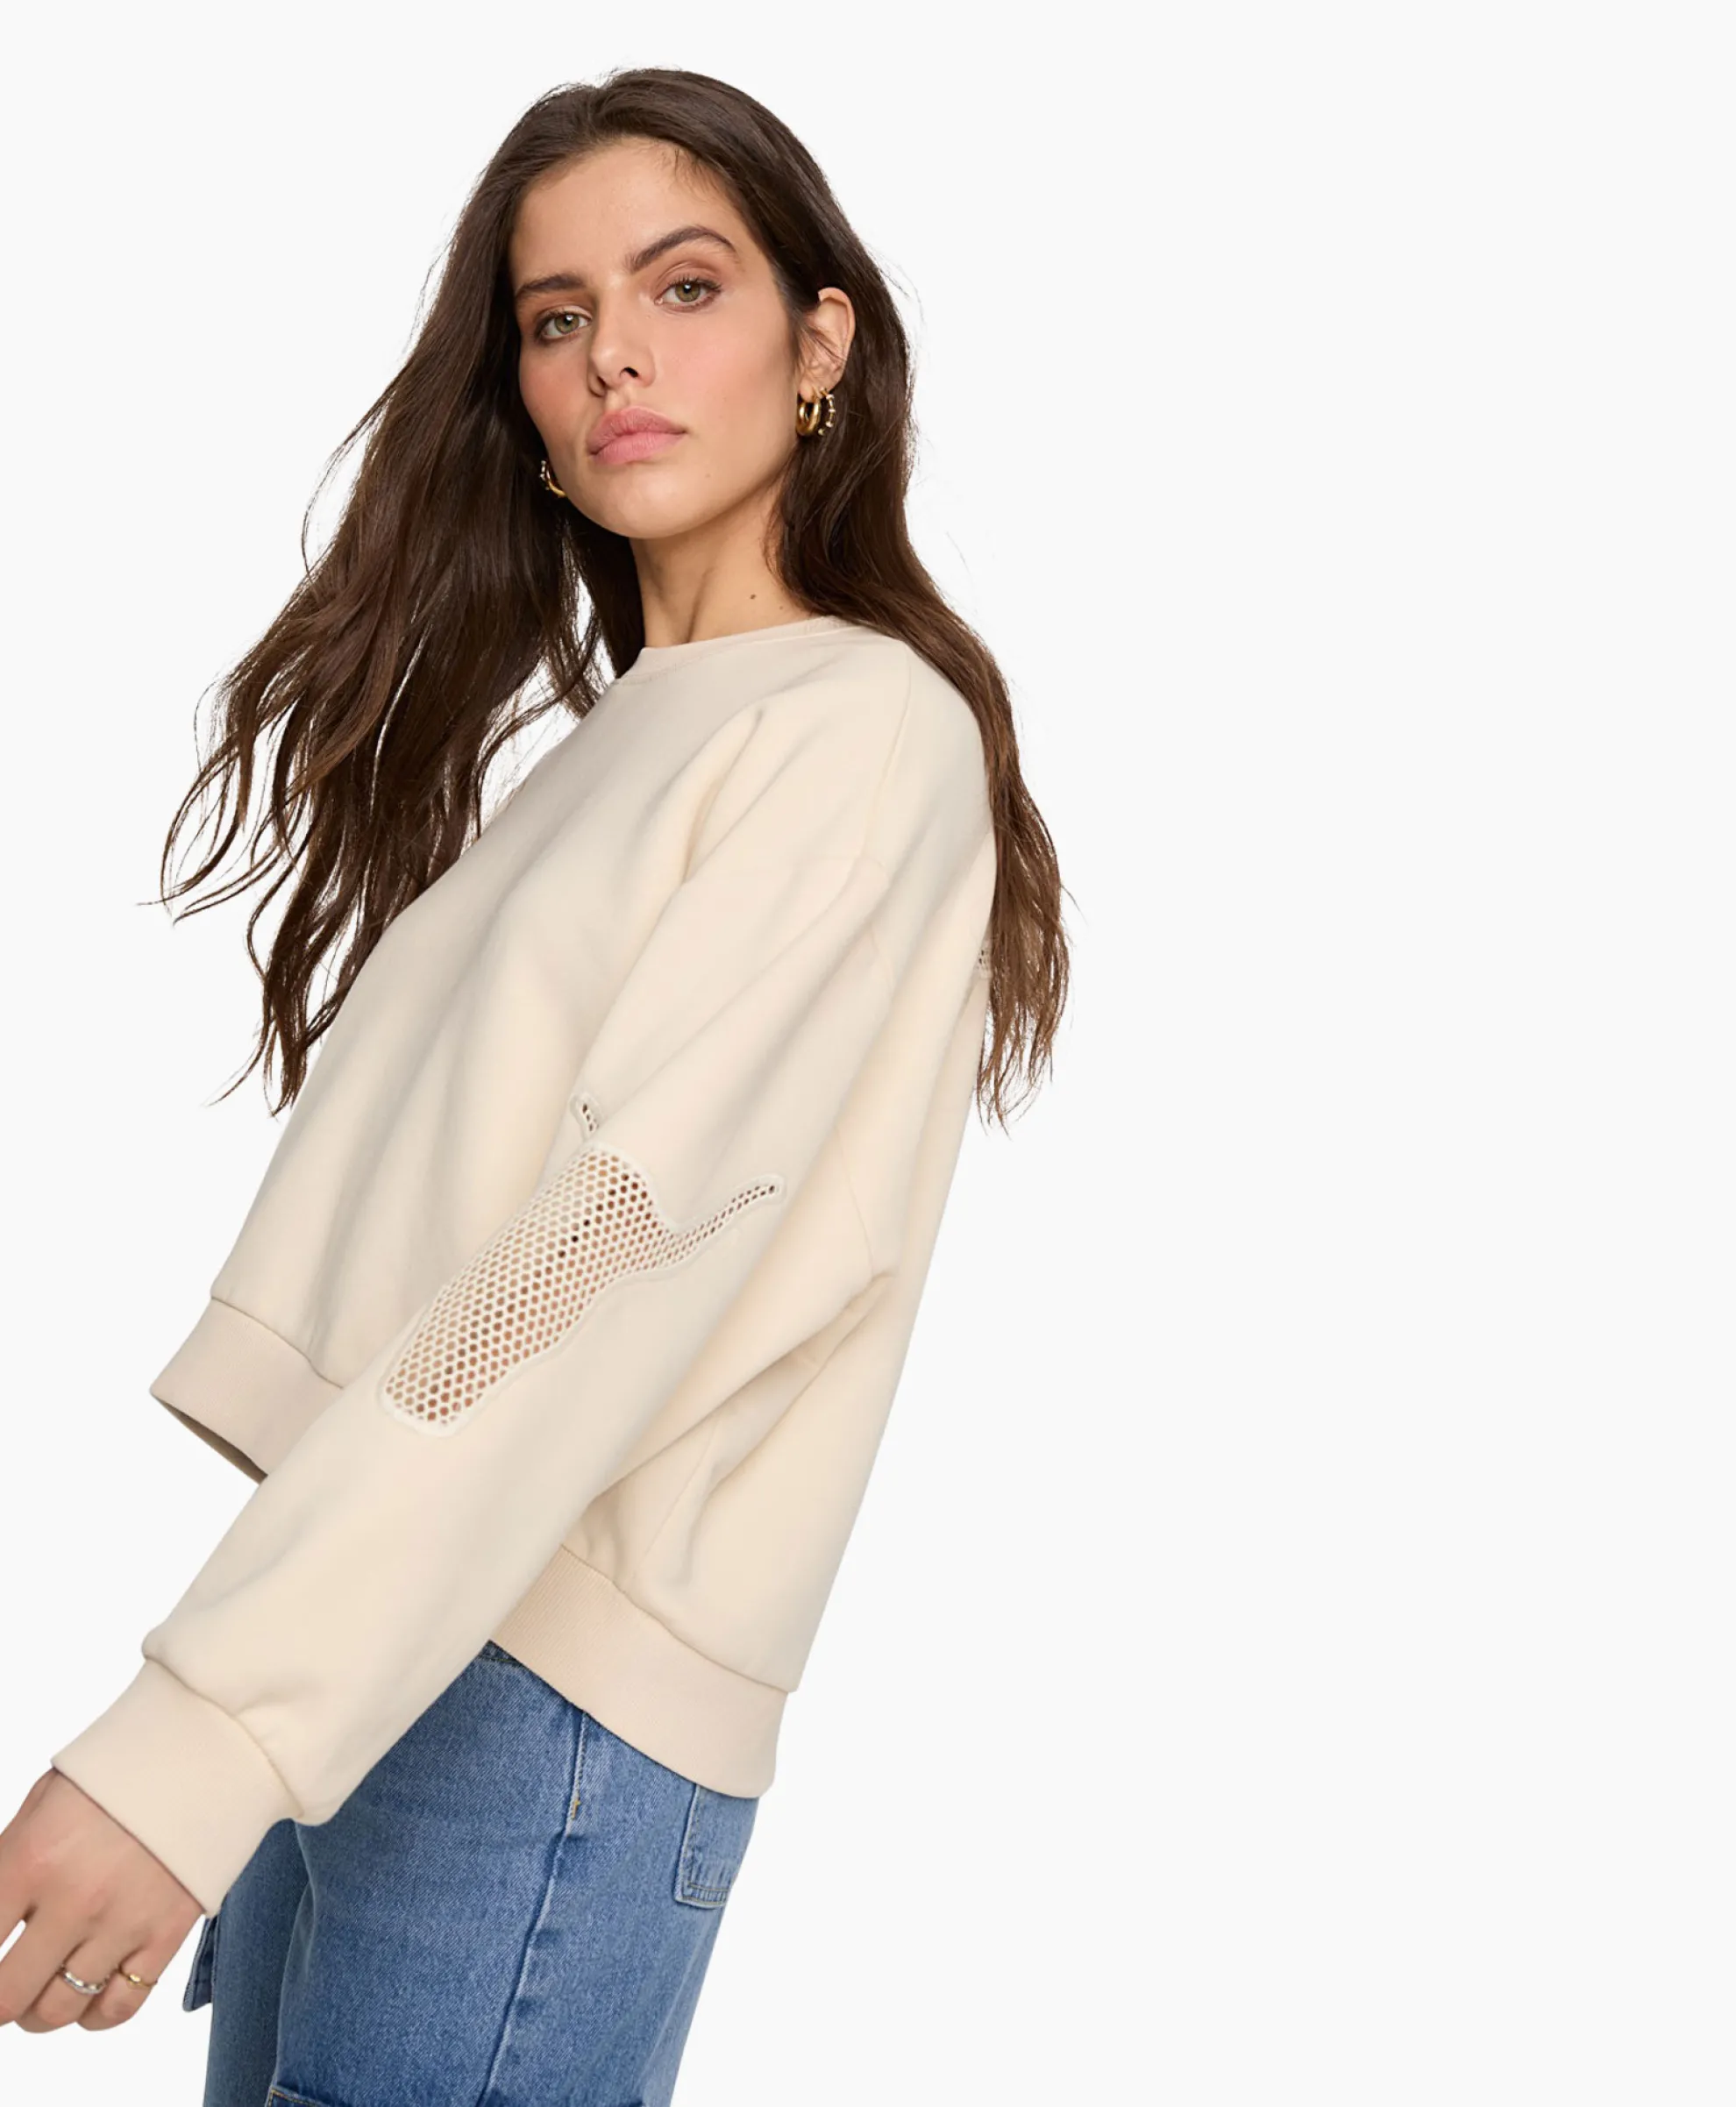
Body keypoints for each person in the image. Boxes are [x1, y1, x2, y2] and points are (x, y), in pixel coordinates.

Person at [0, 65, 1070, 2101]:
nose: (615, 359)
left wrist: (199, 1732)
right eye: (559, 315)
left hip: (537, 1705)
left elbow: (597, 1253)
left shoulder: (859, 727)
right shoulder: (628, 739)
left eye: (686, 286)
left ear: (821, 344)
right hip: (400, 1639)